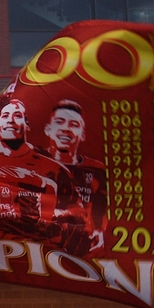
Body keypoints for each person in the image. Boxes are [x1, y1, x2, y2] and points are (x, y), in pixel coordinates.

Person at [42, 99, 108, 255]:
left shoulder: (96, 170)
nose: (66, 128)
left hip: (82, 249)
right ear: (48, 129)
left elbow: (102, 207)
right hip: (42, 247)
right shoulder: (33, 163)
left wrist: (100, 231)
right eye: (60, 122)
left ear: (82, 135)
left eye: (74, 125)